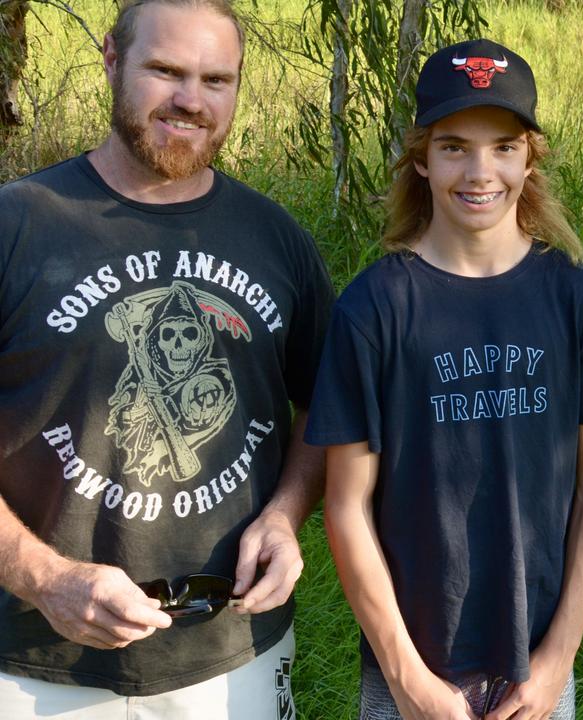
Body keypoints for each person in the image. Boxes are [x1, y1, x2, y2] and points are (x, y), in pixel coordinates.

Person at [0, 0, 334, 716]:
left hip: (226, 651)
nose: (191, 100)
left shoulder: (277, 239)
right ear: (112, 63)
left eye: (217, 79)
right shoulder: (18, 225)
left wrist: (283, 516)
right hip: (29, 662)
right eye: (165, 71)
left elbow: (327, 405)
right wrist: (42, 576)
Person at [306, 38, 583, 720]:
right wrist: (408, 679)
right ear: (421, 158)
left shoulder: (578, 300)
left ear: (530, 157)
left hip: (536, 674)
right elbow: (345, 505)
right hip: (410, 672)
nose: (479, 171)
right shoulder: (375, 307)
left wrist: (556, 661)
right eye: (454, 146)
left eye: (502, 146)